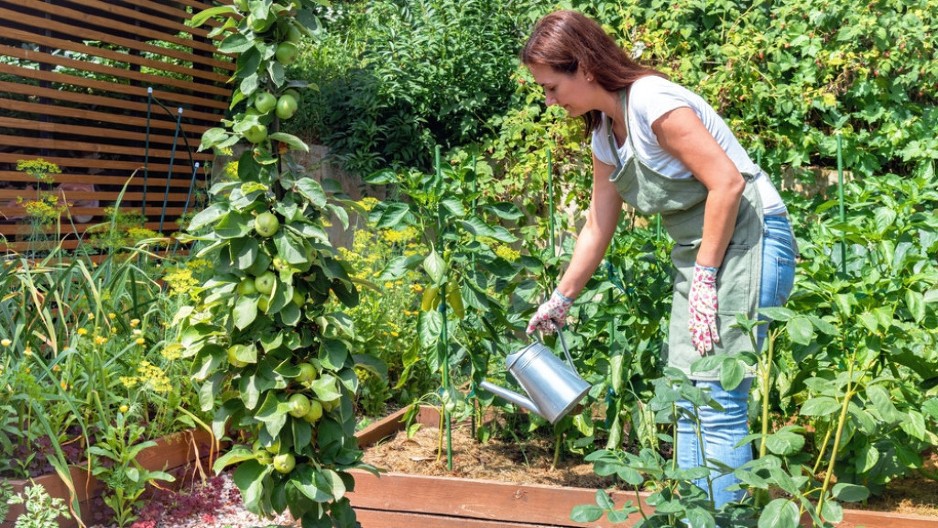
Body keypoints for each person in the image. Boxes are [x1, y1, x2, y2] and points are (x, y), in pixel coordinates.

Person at [521, 10, 796, 508]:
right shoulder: (605, 131)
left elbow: (728, 183)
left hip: (748, 241)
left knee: (716, 398)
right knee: (687, 398)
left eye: (551, 87)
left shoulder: (653, 102)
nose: (549, 99)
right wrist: (561, 298)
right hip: (701, 256)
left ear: (582, 67)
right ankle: (695, 518)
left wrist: (708, 277)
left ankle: (725, 520)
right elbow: (597, 225)